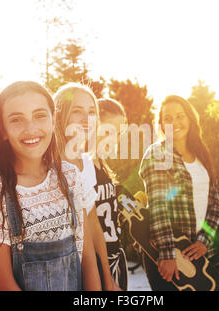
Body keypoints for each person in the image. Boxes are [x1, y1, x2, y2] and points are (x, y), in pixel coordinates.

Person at [0, 81, 101, 291]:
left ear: (53, 120)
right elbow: (4, 286)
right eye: (17, 120)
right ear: (2, 130)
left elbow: (87, 258)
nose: (31, 128)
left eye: (39, 115)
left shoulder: (70, 177)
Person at [138, 95, 219, 291]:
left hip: (197, 251)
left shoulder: (201, 153)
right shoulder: (158, 154)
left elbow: (215, 204)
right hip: (167, 250)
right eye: (167, 118)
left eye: (180, 116)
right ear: (161, 124)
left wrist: (204, 241)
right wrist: (167, 254)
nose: (175, 122)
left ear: (190, 119)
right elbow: (158, 206)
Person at [53, 83, 120, 291]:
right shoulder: (49, 164)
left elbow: (92, 223)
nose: (86, 119)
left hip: (90, 267)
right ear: (59, 115)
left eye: (91, 112)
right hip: (58, 270)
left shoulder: (86, 162)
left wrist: (107, 278)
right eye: (77, 111)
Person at [92, 98, 129, 290]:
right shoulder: (81, 166)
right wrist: (106, 277)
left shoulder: (102, 164)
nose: (114, 137)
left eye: (119, 131)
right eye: (109, 129)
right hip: (97, 266)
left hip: (114, 257)